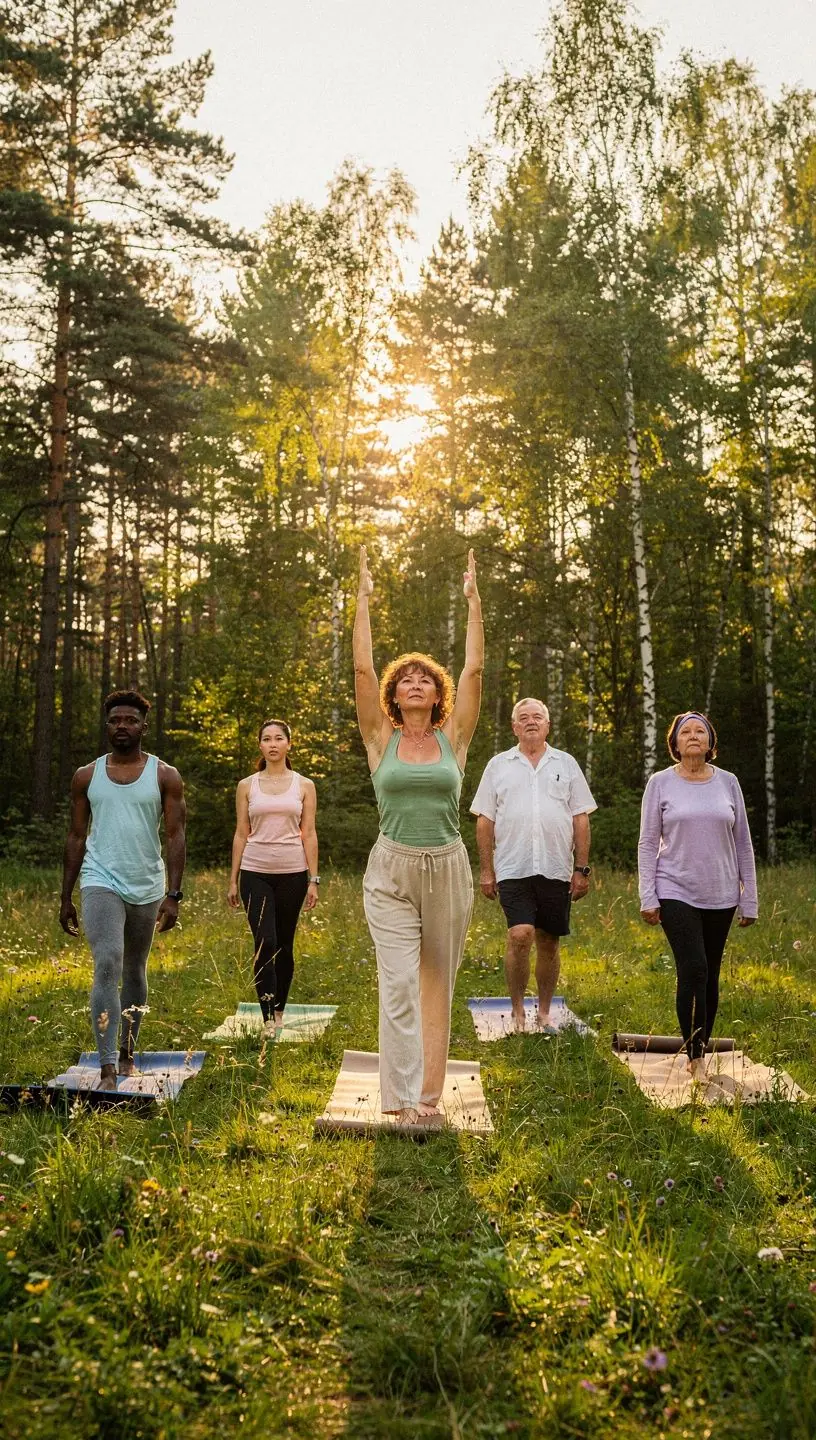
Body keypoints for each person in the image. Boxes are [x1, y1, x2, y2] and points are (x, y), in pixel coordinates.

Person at [354, 545, 483, 1126]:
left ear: (437, 695)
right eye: (403, 678)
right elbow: (360, 668)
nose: (412, 683)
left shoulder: (454, 737)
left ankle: (428, 1096)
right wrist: (362, 602)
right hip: (392, 870)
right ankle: (400, 1099)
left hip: (449, 868)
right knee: (400, 981)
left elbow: (475, 669)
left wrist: (475, 603)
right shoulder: (380, 739)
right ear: (392, 694)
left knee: (437, 983)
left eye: (423, 679)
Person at [60, 689, 186, 1091]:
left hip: (147, 884)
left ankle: (130, 1050)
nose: (121, 727)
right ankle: (108, 1065)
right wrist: (66, 895)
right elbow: (77, 836)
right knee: (108, 962)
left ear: (143, 727)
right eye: (115, 720)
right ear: (106, 726)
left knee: (134, 967)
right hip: (100, 879)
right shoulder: (86, 775)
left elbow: (176, 835)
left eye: (130, 721)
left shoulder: (165, 775)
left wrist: (174, 894)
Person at [638, 710, 758, 1079]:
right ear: (674, 743)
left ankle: (700, 1044)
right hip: (674, 887)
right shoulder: (660, 783)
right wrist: (648, 895)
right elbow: (646, 842)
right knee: (694, 967)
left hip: (721, 892)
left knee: (710, 974)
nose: (693, 736)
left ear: (710, 742)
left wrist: (748, 897)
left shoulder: (728, 783)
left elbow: (743, 844)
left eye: (700, 731)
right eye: (685, 731)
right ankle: (695, 1058)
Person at [471, 698, 597, 1031]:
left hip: (556, 867)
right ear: (514, 727)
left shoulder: (566, 763)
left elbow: (581, 818)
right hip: (512, 866)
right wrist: (486, 870)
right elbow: (484, 821)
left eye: (537, 717)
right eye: (523, 718)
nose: (531, 722)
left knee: (548, 941)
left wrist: (581, 869)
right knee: (520, 934)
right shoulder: (499, 765)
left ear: (547, 725)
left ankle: (543, 1011)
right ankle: (516, 1011)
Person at [227, 719, 318, 1037]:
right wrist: (232, 879)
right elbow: (241, 833)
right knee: (265, 942)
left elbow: (309, 833)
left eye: (279, 738)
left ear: (289, 745)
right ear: (260, 746)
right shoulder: (247, 785)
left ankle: (280, 1010)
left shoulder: (304, 785)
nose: (273, 743)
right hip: (255, 873)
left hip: (293, 874)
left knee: (284, 944)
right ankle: (266, 1017)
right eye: (267, 739)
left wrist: (313, 879)